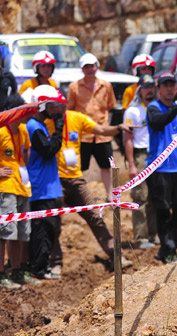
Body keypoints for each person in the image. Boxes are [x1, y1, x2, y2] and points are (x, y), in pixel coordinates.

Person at [45, 85, 132, 273]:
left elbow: (100, 129)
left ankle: (117, 256)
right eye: (54, 105)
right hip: (54, 181)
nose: (58, 109)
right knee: (54, 223)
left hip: (76, 179)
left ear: (66, 104)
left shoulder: (76, 118)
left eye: (60, 105)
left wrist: (118, 128)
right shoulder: (43, 123)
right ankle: (55, 263)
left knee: (95, 216)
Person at [146, 73, 177, 263]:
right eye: (165, 85)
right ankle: (169, 251)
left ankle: (169, 248)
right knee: (163, 211)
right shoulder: (153, 108)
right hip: (160, 170)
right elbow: (159, 122)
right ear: (159, 89)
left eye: (172, 85)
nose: (169, 89)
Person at [24, 86, 65, 280]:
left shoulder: (39, 126)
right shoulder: (34, 126)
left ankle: (40, 266)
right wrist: (59, 131)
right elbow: (48, 150)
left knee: (47, 227)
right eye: (51, 106)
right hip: (40, 187)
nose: (56, 110)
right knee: (43, 228)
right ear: (41, 106)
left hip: (47, 186)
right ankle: (38, 268)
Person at [66, 52, 116, 199]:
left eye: (92, 66)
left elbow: (110, 105)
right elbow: (70, 109)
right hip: (83, 134)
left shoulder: (106, 86)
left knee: (106, 165)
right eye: (86, 67)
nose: (89, 69)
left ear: (97, 67)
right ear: (82, 69)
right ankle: (79, 195)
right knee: (80, 167)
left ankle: (110, 194)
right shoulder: (74, 87)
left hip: (102, 134)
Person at [0, 94, 33, 289]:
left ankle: (17, 271)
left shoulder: (23, 130)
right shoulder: (1, 132)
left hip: (22, 186)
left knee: (21, 233)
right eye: (23, 110)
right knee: (4, 233)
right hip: (5, 188)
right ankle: (1, 275)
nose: (27, 114)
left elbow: (26, 150)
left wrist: (24, 169)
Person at [123, 74, 157, 250]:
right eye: (146, 87)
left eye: (152, 87)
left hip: (157, 154)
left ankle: (153, 233)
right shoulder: (133, 111)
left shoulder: (158, 108)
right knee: (140, 196)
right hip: (141, 154)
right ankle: (141, 237)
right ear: (140, 90)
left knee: (155, 196)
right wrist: (131, 164)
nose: (149, 90)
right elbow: (128, 139)